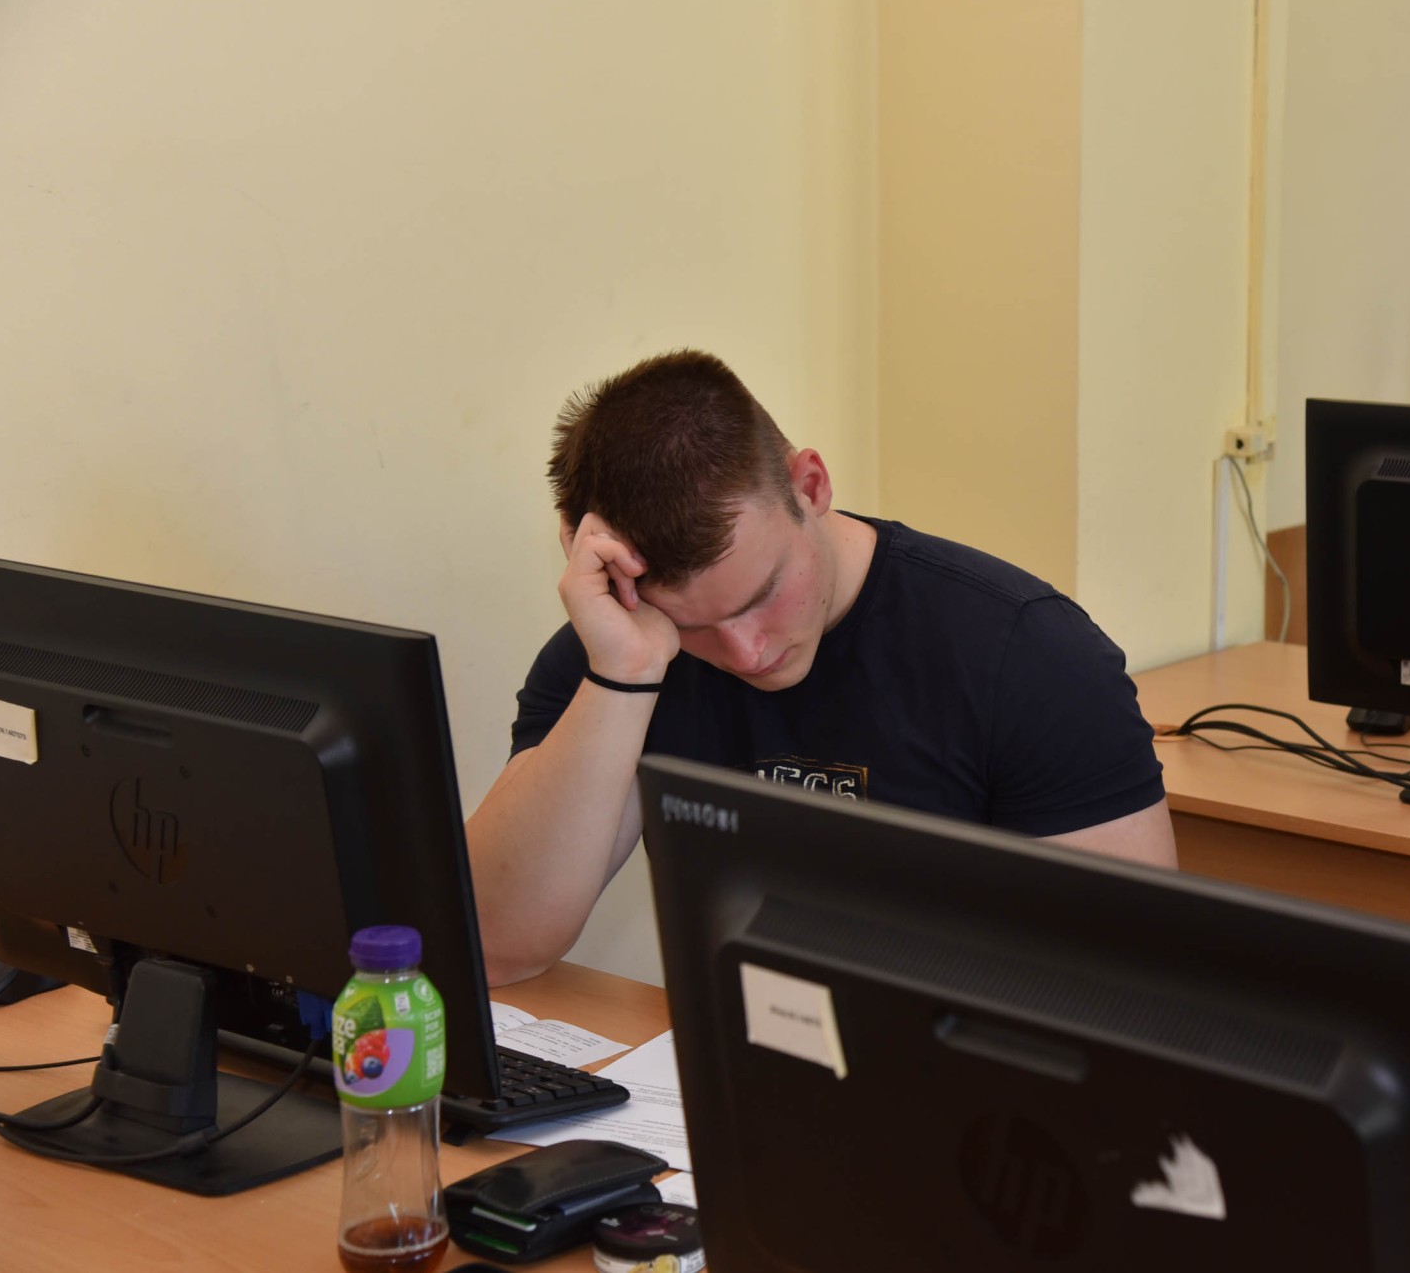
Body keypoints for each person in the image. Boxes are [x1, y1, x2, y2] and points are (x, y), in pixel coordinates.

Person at [466, 350, 1175, 984]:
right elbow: (497, 945)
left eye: (763, 594)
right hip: (732, 1064)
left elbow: (1132, 985)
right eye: (693, 625)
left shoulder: (1029, 654)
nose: (746, 651)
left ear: (809, 485)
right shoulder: (621, 653)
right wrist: (624, 675)